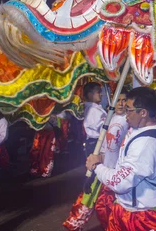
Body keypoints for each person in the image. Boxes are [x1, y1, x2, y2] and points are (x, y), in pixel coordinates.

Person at [86, 87, 156, 230]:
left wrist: (96, 166)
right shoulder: (137, 129)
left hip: (143, 216)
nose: (126, 114)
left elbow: (120, 182)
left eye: (129, 110)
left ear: (143, 112)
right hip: (126, 208)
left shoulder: (146, 145)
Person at [64, 91, 129, 230]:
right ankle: (74, 224)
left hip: (115, 174)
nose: (121, 104)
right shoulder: (108, 119)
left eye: (124, 100)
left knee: (106, 207)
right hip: (102, 169)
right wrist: (93, 169)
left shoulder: (128, 121)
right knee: (90, 198)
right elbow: (102, 146)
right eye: (118, 100)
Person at [83, 82, 105, 157]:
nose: (101, 94)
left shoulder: (96, 108)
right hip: (96, 143)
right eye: (98, 92)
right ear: (90, 95)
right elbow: (103, 127)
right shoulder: (92, 110)